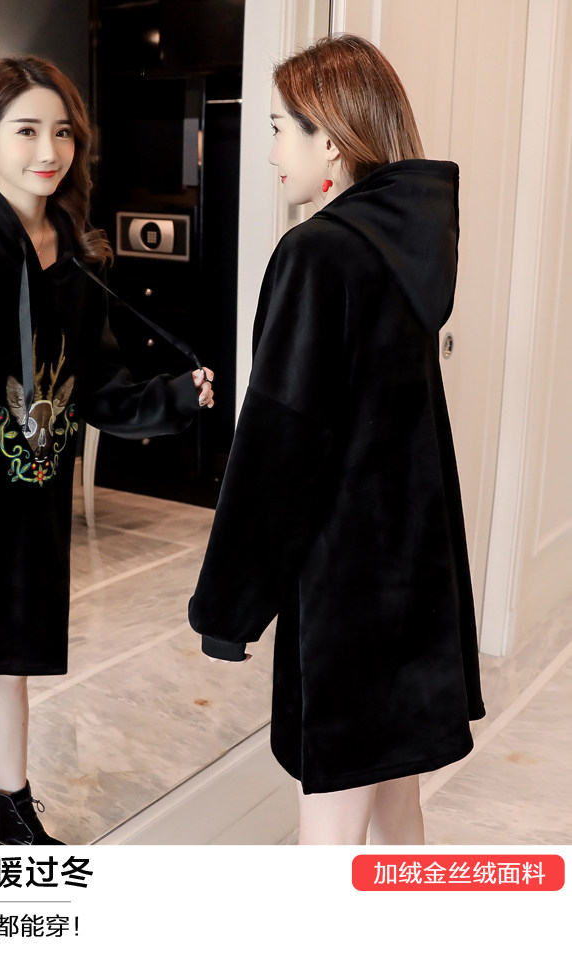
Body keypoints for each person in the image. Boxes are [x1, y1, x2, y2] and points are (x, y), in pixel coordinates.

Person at [0, 55, 214, 846]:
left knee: (12, 668)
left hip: (30, 511)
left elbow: (99, 387)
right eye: (26, 130)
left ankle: (12, 813)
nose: (48, 150)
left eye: (61, 132)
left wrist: (174, 397)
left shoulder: (71, 250)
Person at [188, 34, 484, 845]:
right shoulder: (411, 249)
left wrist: (229, 608)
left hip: (347, 589)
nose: (271, 152)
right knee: (398, 808)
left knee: (332, 835)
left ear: (330, 139)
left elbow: (279, 445)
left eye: (280, 129)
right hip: (415, 576)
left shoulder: (317, 253)